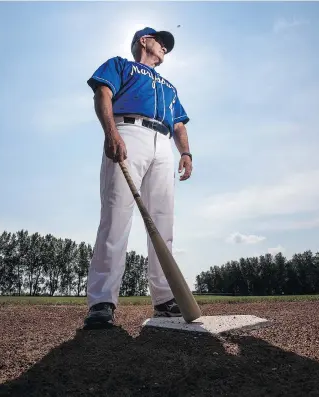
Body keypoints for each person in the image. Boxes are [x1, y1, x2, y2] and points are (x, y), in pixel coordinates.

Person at [83, 27, 193, 329]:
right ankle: (102, 300)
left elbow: (180, 124)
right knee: (116, 216)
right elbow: (102, 92)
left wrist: (186, 153)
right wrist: (111, 132)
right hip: (129, 131)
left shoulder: (170, 86)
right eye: (160, 41)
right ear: (144, 41)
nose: (164, 48)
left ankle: (165, 298)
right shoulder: (121, 65)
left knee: (163, 222)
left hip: (163, 143)